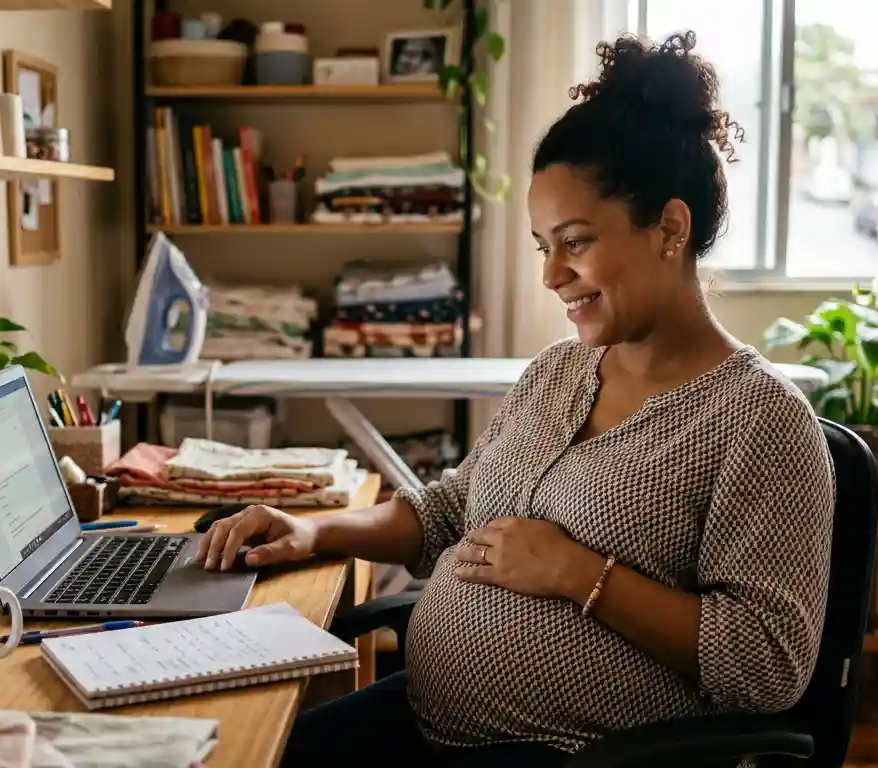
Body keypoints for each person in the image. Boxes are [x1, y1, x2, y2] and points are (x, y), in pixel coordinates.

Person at [197, 31, 834, 768]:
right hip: (427, 718)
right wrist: (317, 531)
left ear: (669, 228)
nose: (552, 274)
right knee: (244, 751)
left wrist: (582, 576)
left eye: (576, 241)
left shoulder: (760, 421)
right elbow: (448, 511)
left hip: (573, 755)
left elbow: (767, 666)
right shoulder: (558, 372)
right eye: (542, 246)